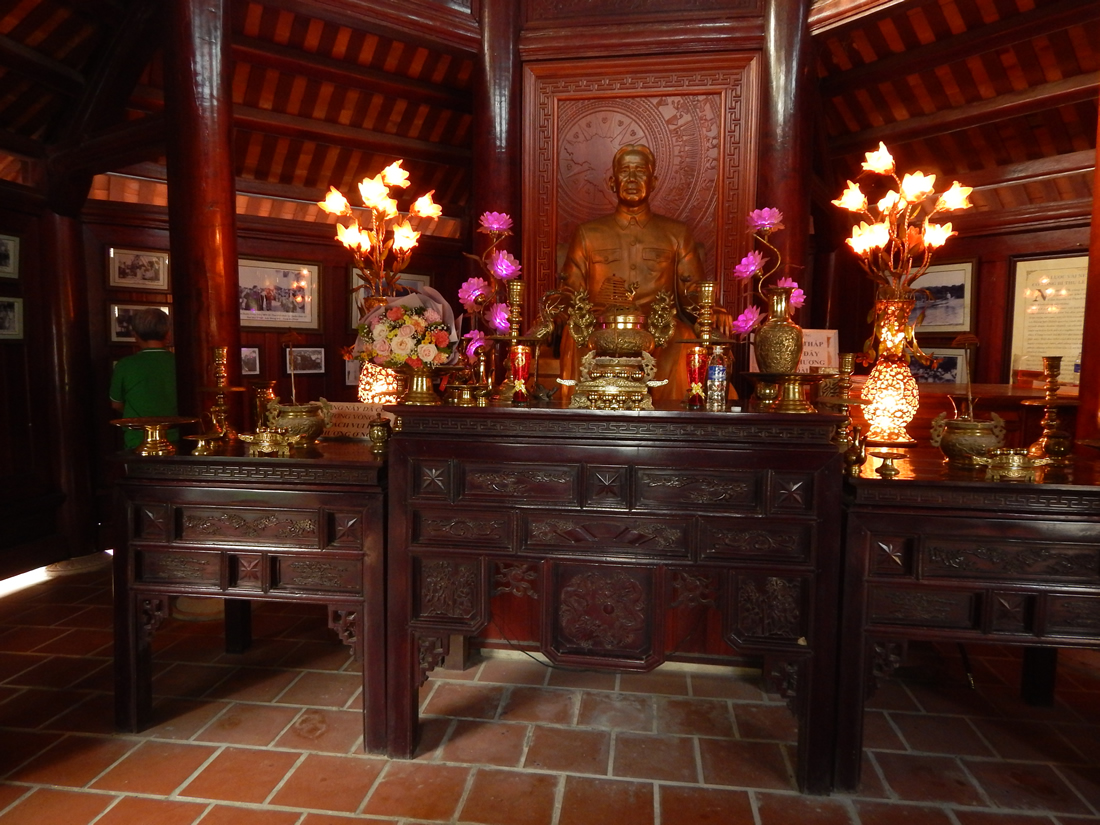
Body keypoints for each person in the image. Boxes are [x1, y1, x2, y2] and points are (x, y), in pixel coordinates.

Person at [559, 144, 731, 402]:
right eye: (624, 171)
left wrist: (712, 310)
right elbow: (570, 292)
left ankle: (671, 414)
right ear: (612, 182)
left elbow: (692, 290)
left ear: (653, 182)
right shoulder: (588, 233)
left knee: (683, 336)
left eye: (640, 171)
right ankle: (579, 411)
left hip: (659, 324)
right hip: (600, 324)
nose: (632, 178)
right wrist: (554, 313)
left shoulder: (676, 233)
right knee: (573, 333)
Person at [109, 307, 178, 449]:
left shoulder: (125, 365)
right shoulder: (180, 363)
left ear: (135, 335)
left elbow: (116, 404)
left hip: (138, 439)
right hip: (175, 436)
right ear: (168, 334)